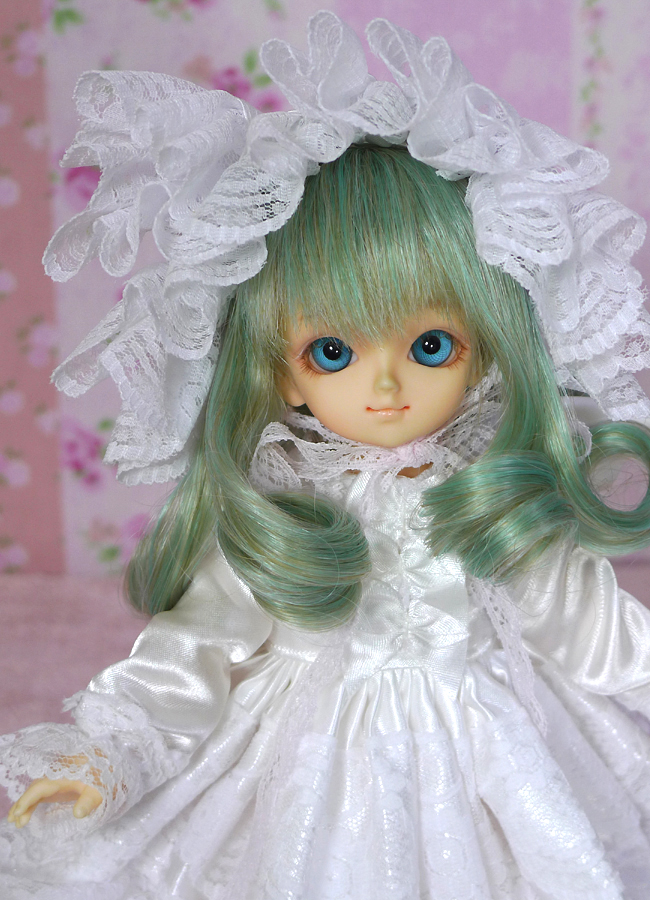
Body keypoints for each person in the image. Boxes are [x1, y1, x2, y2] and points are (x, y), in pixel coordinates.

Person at [1, 12, 650, 900]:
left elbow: (595, 634)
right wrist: (112, 751)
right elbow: (195, 649)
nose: (385, 386)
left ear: (487, 350)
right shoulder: (289, 502)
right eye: (333, 352)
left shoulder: (491, 493)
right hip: (309, 765)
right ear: (282, 371)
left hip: (495, 755)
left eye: (430, 347)